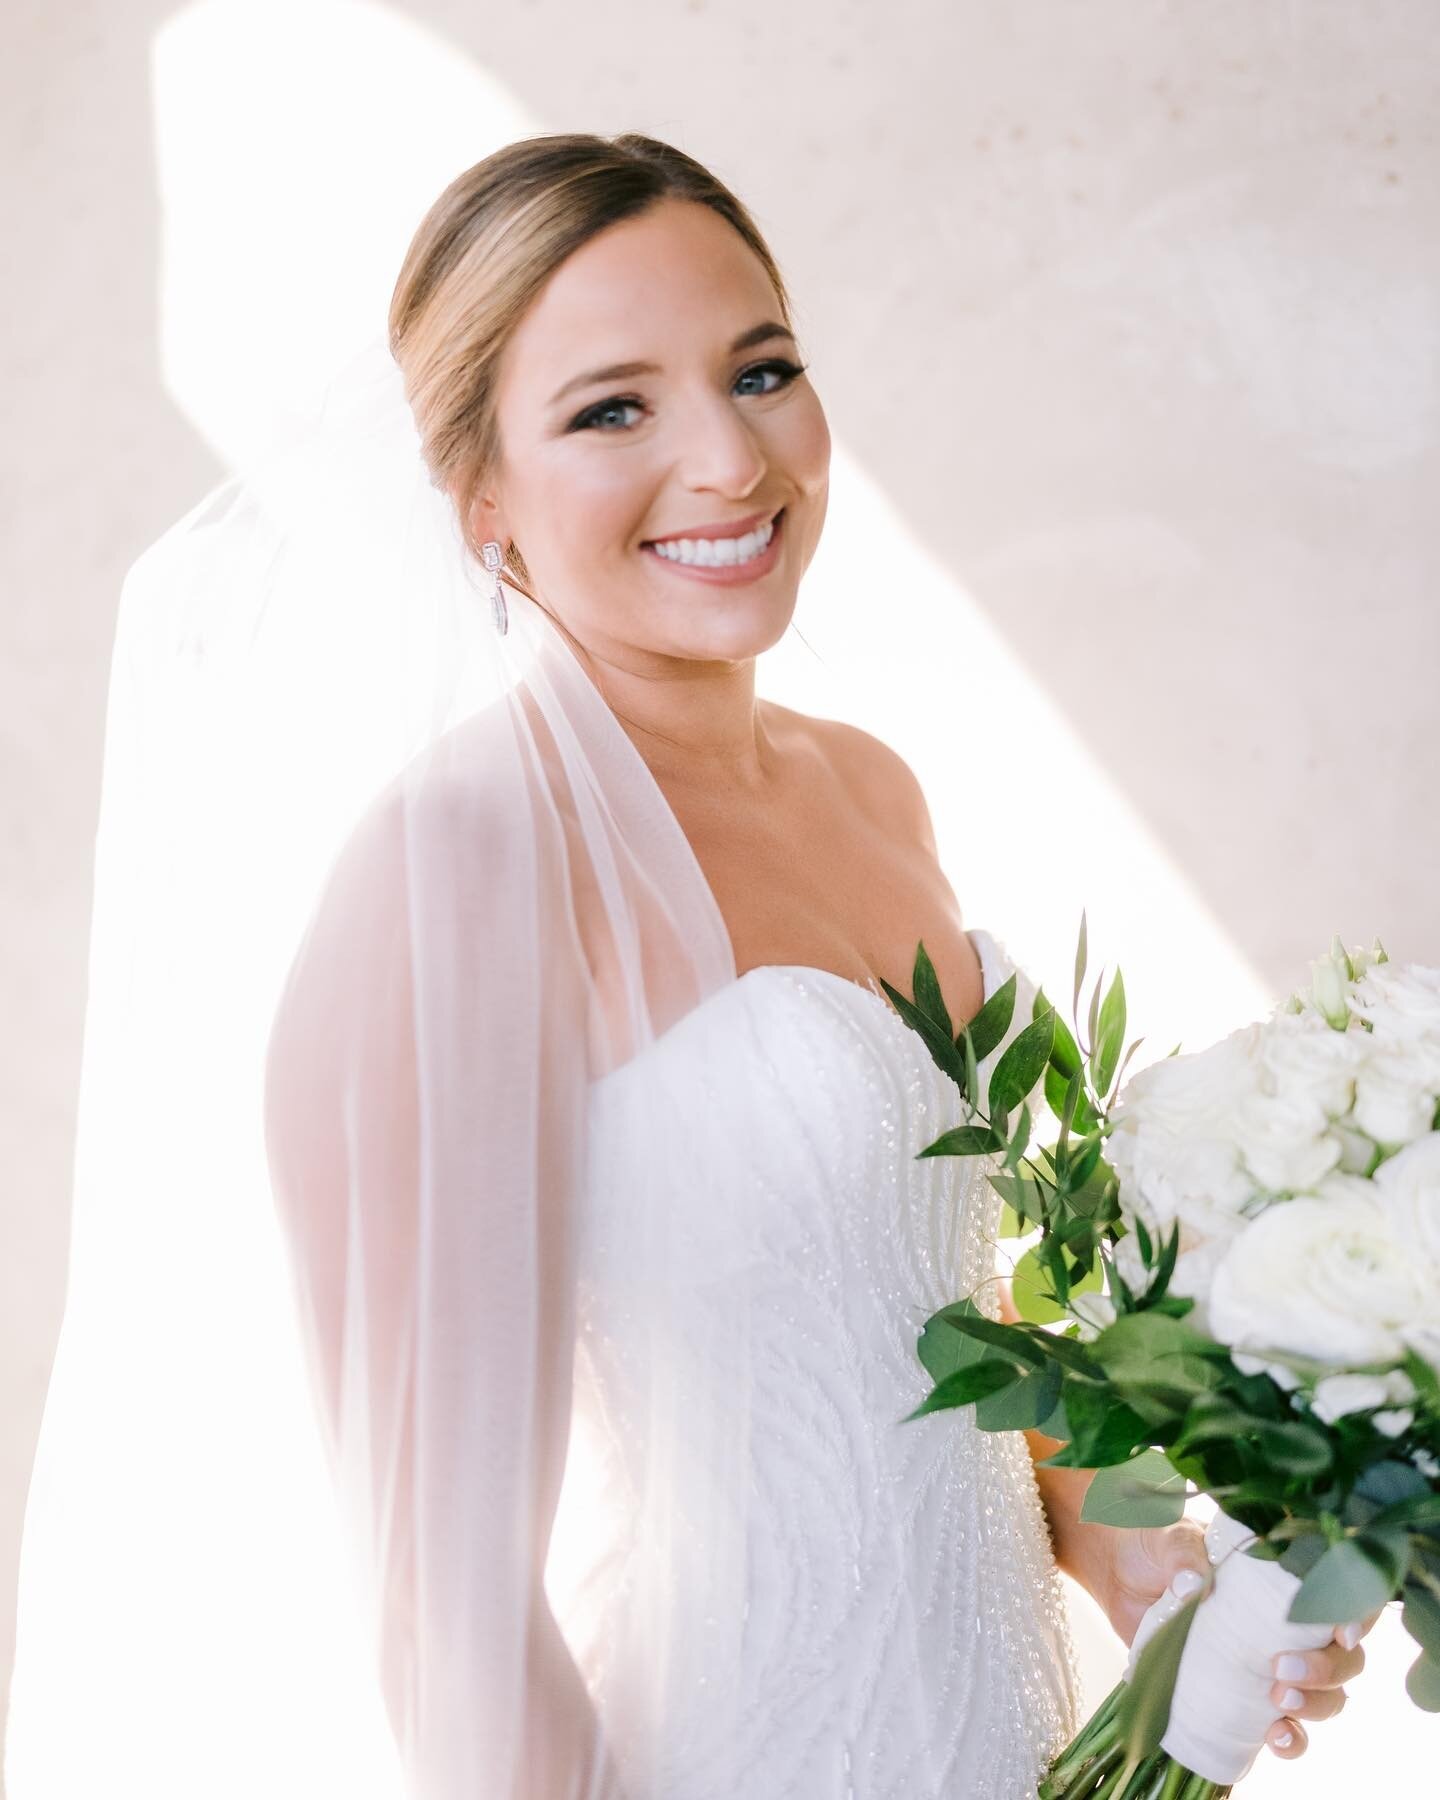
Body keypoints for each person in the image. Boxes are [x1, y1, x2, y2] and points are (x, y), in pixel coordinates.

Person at [6, 133, 1365, 1800]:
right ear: (476, 492)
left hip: (1007, 1727)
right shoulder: (460, 873)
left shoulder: (872, 787)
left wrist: (1155, 1575)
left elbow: (950, 1290)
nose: (730, 459)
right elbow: (450, 1620)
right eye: (612, 409)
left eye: (762, 369)